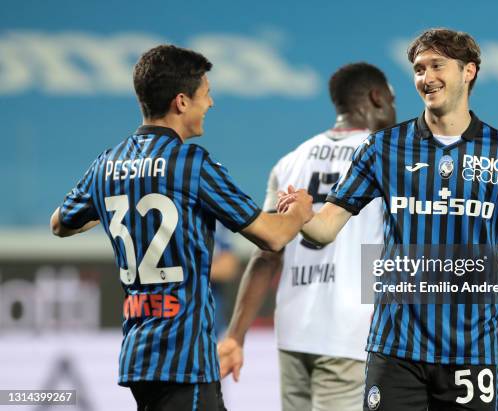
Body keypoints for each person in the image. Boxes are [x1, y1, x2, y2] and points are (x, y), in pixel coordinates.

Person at [278, 28, 498, 411]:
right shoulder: (382, 147)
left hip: (470, 352)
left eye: (437, 65)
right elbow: (325, 228)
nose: (426, 78)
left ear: (468, 71)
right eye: (419, 69)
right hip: (395, 349)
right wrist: (303, 216)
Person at [49, 44, 313, 411]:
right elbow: (272, 235)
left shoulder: (107, 164)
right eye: (206, 93)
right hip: (184, 357)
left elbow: (60, 224)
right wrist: (300, 212)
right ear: (181, 102)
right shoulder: (190, 163)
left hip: (139, 357)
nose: (212, 103)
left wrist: (111, 204)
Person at [218, 62, 396, 411]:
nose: (394, 109)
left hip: (294, 331)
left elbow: (266, 254)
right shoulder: (388, 157)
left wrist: (235, 337)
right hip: (350, 334)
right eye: (391, 100)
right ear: (376, 98)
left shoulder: (291, 161)